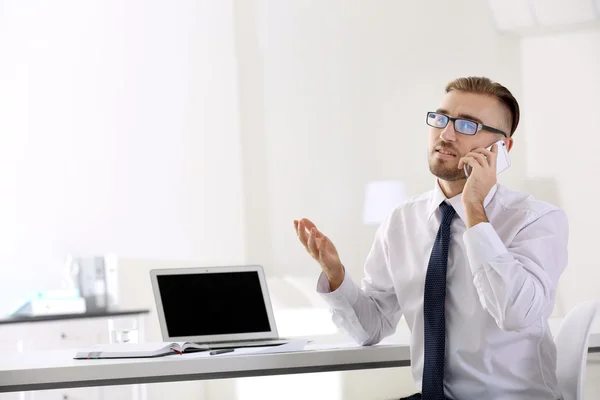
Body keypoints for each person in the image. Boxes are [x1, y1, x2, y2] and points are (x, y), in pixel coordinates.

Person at [293, 76, 568, 400]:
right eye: (441, 119)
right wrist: (337, 277)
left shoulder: (536, 219)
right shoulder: (401, 222)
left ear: (501, 148)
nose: (446, 133)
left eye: (467, 125)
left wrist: (474, 210)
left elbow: (514, 313)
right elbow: (370, 328)